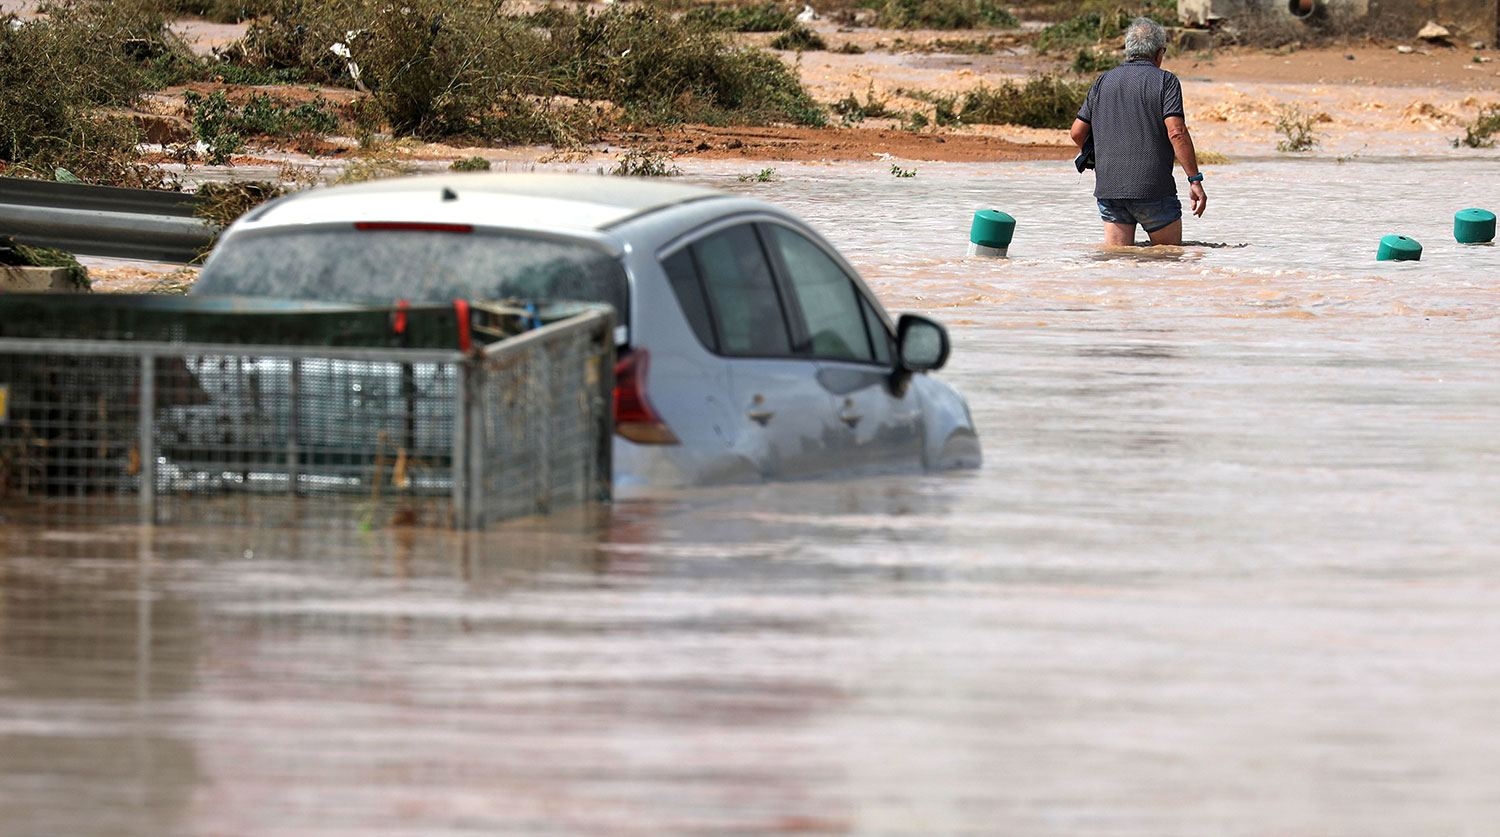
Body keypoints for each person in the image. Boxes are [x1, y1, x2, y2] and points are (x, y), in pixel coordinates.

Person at [1070, 17, 1207, 247]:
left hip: (1110, 189)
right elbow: (1177, 133)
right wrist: (1194, 180)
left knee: (1119, 263)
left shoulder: (1103, 81)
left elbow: (1076, 133)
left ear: (1128, 50)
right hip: (1153, 188)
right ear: (1159, 53)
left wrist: (1097, 154)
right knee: (1170, 259)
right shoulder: (1166, 81)